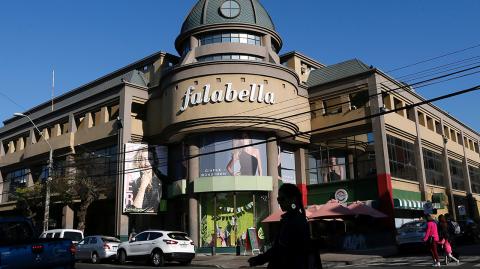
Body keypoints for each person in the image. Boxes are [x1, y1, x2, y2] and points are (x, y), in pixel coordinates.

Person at [247, 183, 320, 269]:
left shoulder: (293, 221)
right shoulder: (295, 219)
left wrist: (260, 259)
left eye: (282, 199)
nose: (279, 202)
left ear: (293, 199)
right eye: (278, 199)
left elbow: (280, 250)